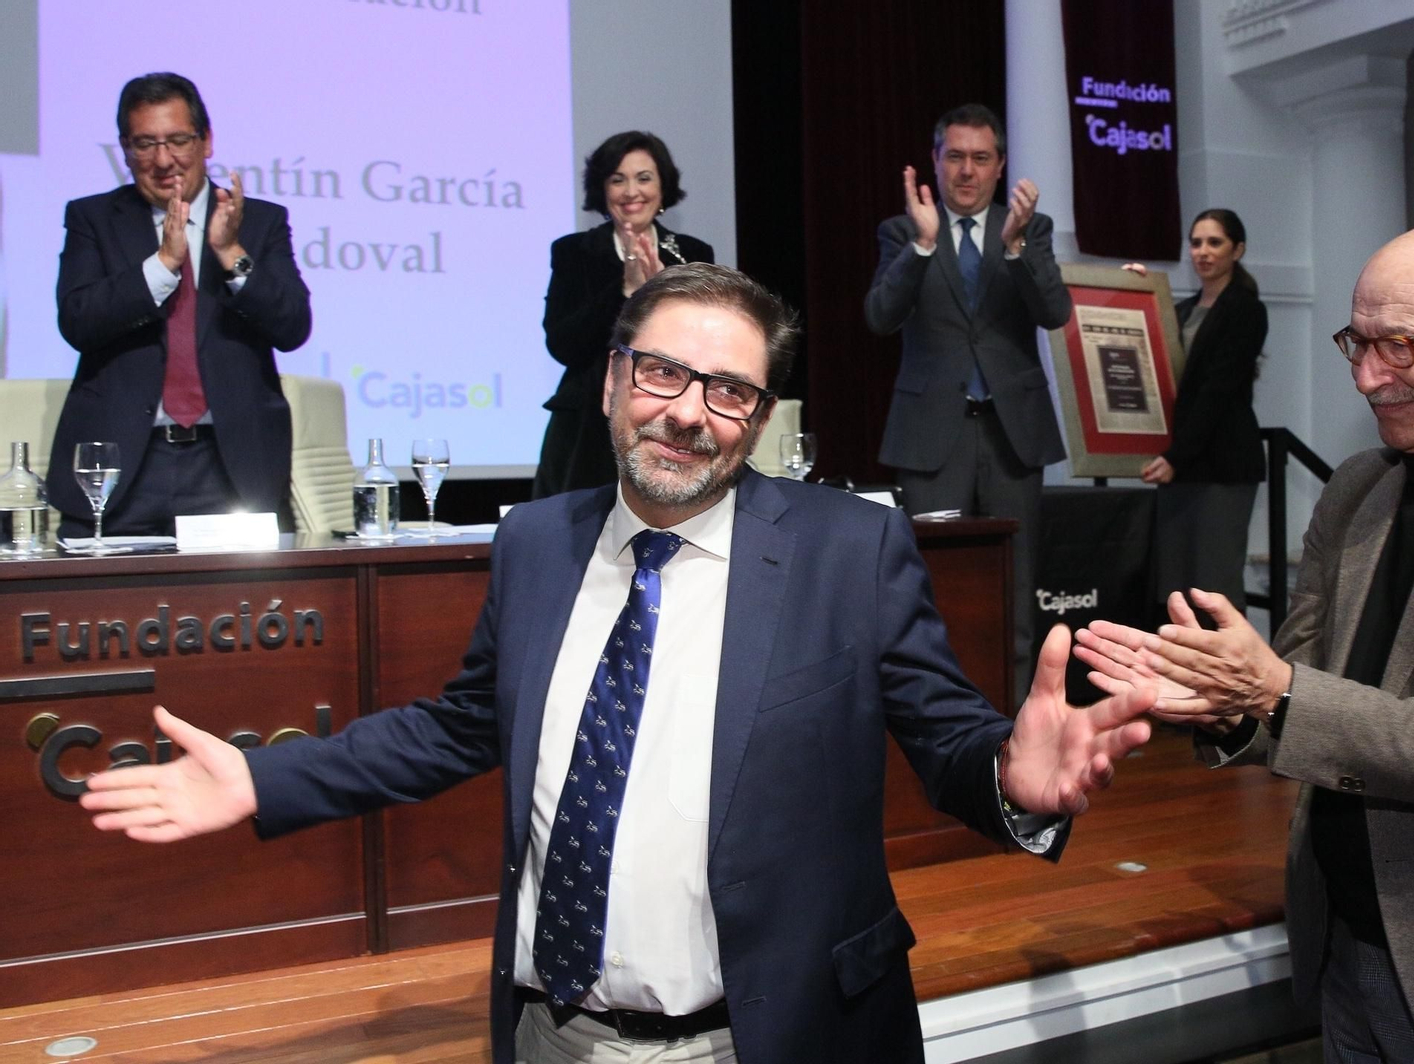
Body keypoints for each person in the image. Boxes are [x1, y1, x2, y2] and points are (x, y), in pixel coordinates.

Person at [82, 263, 1155, 1064]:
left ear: (760, 419)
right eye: (661, 372)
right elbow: (460, 725)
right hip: (554, 1033)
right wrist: (263, 775)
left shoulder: (848, 550)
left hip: (771, 1037)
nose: (688, 411)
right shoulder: (535, 541)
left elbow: (946, 737)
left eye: (728, 390)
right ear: (610, 380)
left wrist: (1012, 779)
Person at [1075, 220, 1414, 1063]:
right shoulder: (1360, 489)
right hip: (1344, 949)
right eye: (1357, 342)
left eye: (1401, 345)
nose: (1366, 377)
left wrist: (1272, 690)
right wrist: (1225, 705)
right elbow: (1308, 689)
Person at [864, 103, 1072, 699]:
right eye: (954, 156)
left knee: (1016, 593)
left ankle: (1016, 732)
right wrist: (924, 247)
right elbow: (879, 315)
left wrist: (1014, 251)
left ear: (1000, 165)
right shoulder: (903, 231)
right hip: (934, 436)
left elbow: (1054, 313)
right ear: (936, 160)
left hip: (1013, 436)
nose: (966, 170)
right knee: (934, 592)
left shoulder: (1030, 228)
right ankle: (941, 729)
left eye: (981, 158)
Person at [50, 72, 312, 538]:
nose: (163, 160)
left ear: (206, 141)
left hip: (229, 466)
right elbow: (78, 321)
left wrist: (232, 255)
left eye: (177, 140)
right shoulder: (93, 219)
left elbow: (292, 326)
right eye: (145, 144)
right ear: (125, 150)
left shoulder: (261, 222)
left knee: (244, 611)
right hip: (121, 469)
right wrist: (162, 265)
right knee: (104, 611)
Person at [533, 131, 714, 499]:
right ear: (603, 190)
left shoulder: (692, 254)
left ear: (663, 187)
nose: (632, 191)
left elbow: (705, 345)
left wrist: (661, 291)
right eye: (618, 180)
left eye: (644, 178)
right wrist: (626, 292)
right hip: (586, 426)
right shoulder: (573, 252)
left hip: (669, 421)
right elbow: (563, 344)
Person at [1124, 209, 1266, 613]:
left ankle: (1225, 677)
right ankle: (1179, 676)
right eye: (1196, 242)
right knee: (1174, 587)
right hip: (1180, 465)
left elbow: (1215, 392)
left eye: (1214, 243)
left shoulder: (1246, 309)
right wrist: (1132, 289)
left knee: (1214, 588)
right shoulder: (1182, 311)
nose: (1203, 252)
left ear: (1237, 250)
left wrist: (1175, 455)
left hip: (1221, 466)